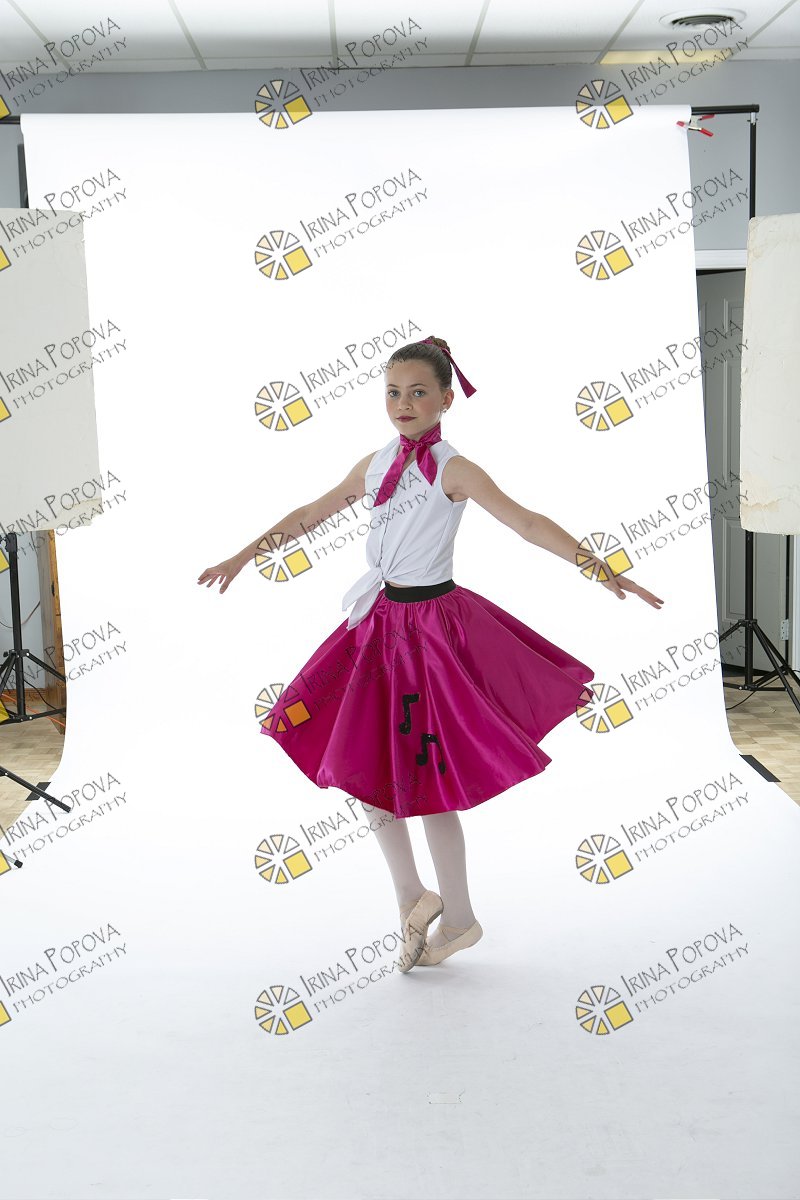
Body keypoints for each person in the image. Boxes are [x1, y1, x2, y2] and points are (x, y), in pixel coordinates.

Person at [197, 336, 664, 973]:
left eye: (419, 392)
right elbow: (309, 514)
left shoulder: (453, 468)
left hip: (432, 634)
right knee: (362, 764)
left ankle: (461, 915)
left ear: (446, 399)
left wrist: (599, 567)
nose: (404, 403)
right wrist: (242, 555)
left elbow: (526, 522)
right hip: (377, 627)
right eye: (394, 392)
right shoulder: (374, 463)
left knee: (429, 779)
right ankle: (412, 896)